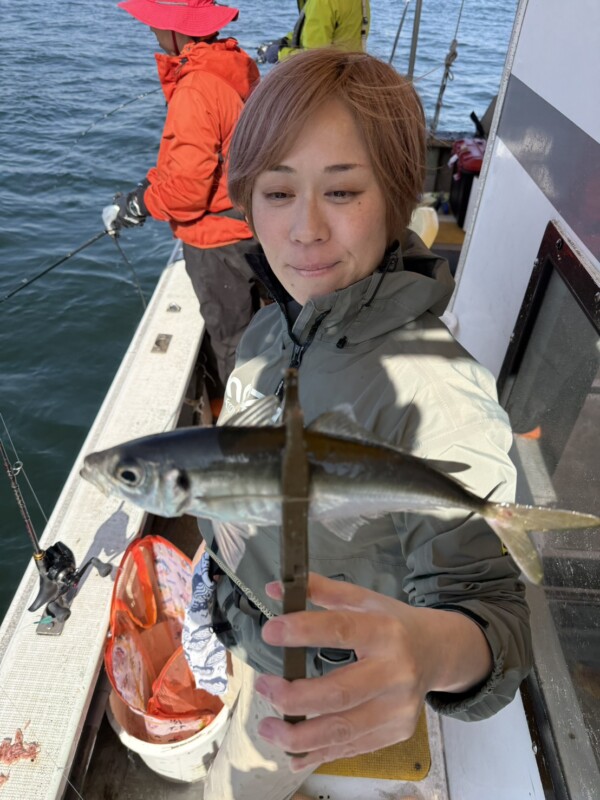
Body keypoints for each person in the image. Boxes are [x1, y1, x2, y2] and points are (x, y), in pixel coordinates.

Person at [190, 49, 532, 800]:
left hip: (320, 693)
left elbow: (494, 618)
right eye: (277, 191)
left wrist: (429, 652)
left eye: (341, 189)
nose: (304, 229)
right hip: (251, 633)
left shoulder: (434, 393)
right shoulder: (269, 332)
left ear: (399, 196)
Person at [103, 0, 261, 408]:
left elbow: (189, 192)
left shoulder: (194, 88)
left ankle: (248, 430)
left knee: (232, 344)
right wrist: (150, 186)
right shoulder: (232, 65)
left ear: (178, 31)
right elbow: (206, 156)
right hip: (251, 227)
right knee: (257, 331)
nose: (152, 32)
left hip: (217, 242)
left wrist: (140, 205)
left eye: (157, 24)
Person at [258, 0, 370, 64]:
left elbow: (314, 58)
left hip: (329, 83)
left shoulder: (322, 2)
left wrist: (279, 54)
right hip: (352, 74)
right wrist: (286, 41)